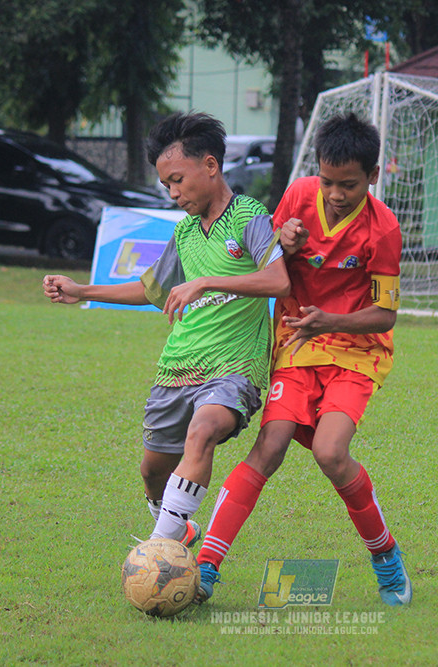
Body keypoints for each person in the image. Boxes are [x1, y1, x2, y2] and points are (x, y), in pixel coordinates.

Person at [43, 112, 289, 548]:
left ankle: (159, 551)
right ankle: (178, 528)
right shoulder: (186, 234)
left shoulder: (249, 217)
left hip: (235, 367)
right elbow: (151, 290)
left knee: (204, 431)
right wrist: (82, 290)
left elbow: (278, 280)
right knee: (152, 471)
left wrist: (207, 281)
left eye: (178, 180)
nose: (173, 194)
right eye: (166, 186)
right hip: (179, 368)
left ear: (210, 166)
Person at [195, 112, 411, 606]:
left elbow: (384, 317)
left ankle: (385, 557)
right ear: (318, 169)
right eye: (329, 181)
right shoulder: (297, 197)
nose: (336, 194)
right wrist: (282, 243)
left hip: (355, 350)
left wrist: (330, 321)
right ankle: (206, 565)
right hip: (296, 341)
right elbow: (263, 261)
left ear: (372, 177)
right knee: (270, 446)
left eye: (349, 185)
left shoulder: (383, 230)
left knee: (330, 453)